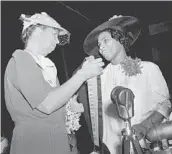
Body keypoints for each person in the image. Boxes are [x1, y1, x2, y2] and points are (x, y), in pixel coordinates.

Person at [4, 12, 104, 154]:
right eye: (54, 34)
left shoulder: (45, 66)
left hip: (57, 143)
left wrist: (69, 106)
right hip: (35, 144)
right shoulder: (21, 58)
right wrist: (83, 75)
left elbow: (51, 104)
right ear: (38, 31)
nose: (57, 41)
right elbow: (47, 104)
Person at [76, 15, 172, 154]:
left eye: (105, 40)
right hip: (110, 149)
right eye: (99, 44)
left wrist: (143, 127)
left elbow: (165, 105)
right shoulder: (97, 78)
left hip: (145, 146)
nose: (101, 47)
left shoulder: (148, 69)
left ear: (121, 39)